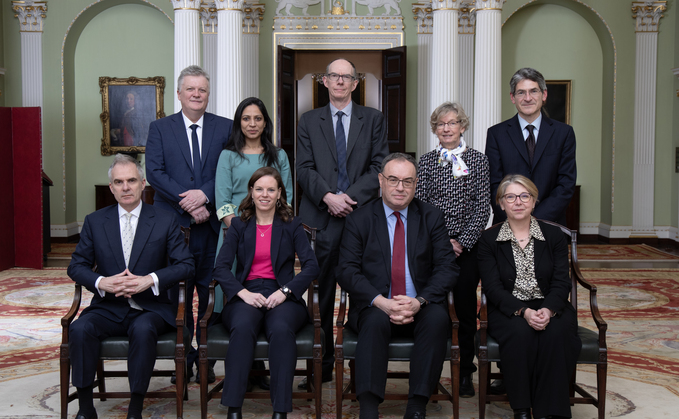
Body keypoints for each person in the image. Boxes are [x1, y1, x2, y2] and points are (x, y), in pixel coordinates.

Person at [67, 154, 195, 419]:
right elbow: (76, 266)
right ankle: (86, 408)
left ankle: (135, 407)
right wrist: (103, 282)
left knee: (143, 328)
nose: (126, 187)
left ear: (143, 184)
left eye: (131, 181)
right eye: (119, 182)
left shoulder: (164, 220)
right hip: (108, 306)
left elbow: (186, 265)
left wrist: (150, 279)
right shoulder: (94, 221)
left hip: (150, 308)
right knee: (79, 329)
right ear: (111, 187)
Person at [336, 153, 458, 419]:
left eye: (407, 181)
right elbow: (346, 270)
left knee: (438, 320)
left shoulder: (431, 217)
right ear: (381, 180)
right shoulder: (360, 219)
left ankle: (416, 406)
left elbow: (448, 268)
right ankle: (368, 408)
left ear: (416, 184)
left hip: (420, 303)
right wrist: (382, 302)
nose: (400, 188)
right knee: (374, 322)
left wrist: (420, 301)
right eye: (393, 180)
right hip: (376, 303)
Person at [296, 58, 389, 385]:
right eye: (334, 76)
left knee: (364, 291)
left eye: (345, 77)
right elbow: (303, 168)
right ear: (324, 81)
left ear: (354, 82)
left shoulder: (374, 119)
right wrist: (328, 197)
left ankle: (361, 365)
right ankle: (319, 365)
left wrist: (347, 197)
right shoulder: (308, 120)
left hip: (360, 216)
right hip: (319, 219)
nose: (339, 81)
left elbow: (379, 165)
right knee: (319, 294)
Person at [146, 65, 232, 383]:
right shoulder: (160, 128)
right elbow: (154, 173)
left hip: (211, 227)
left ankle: (207, 359)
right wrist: (188, 201)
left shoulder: (225, 128)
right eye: (191, 89)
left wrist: (204, 196)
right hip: (172, 227)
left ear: (208, 95)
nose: (197, 94)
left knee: (210, 294)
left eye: (202, 90)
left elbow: (229, 170)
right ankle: (184, 358)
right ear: (179, 94)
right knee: (175, 298)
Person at [213, 166, 319, 419]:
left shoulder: (292, 225)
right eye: (259, 189)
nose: (264, 194)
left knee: (282, 329)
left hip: (281, 294)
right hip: (246, 293)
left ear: (279, 193)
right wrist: (242, 293)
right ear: (251, 192)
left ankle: (280, 409)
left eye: (271, 189)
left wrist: (285, 291)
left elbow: (312, 265)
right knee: (241, 325)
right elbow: (220, 267)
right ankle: (234, 408)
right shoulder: (239, 225)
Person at [477, 174, 581, 419]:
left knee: (555, 332)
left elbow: (560, 281)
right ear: (501, 204)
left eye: (525, 196)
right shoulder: (488, 239)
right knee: (520, 332)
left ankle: (550, 412)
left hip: (550, 304)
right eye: (510, 197)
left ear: (534, 201)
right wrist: (523, 312)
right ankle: (521, 409)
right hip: (508, 308)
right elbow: (492, 288)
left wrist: (549, 310)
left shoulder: (554, 236)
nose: (518, 202)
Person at [214, 96, 292, 389]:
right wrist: (240, 232)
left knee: (267, 293)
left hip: (270, 230)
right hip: (235, 233)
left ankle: (261, 369)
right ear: (239, 122)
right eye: (246, 118)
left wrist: (268, 228)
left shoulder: (279, 155)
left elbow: (287, 196)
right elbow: (222, 201)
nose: (252, 124)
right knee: (240, 301)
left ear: (265, 122)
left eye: (258, 118)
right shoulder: (228, 156)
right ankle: (243, 370)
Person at [414, 102, 490, 398]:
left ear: (462, 126)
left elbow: (483, 207)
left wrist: (462, 241)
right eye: (440, 124)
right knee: (431, 308)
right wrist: (442, 242)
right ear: (435, 129)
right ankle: (430, 372)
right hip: (433, 246)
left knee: (466, 312)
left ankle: (465, 373)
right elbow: (419, 205)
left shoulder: (478, 160)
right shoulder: (426, 161)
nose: (446, 128)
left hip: (467, 248)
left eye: (452, 123)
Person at [485, 67, 576, 226]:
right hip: (507, 224)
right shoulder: (496, 134)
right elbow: (494, 185)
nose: (528, 98)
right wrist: (515, 218)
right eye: (521, 92)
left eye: (533, 91)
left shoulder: (564, 133)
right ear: (513, 97)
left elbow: (566, 184)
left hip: (549, 225)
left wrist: (535, 220)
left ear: (544, 95)